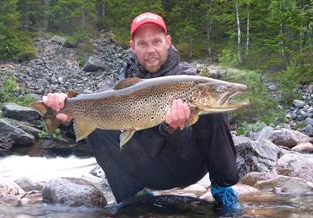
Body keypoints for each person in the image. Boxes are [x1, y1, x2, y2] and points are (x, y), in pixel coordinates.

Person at [42, 12, 243, 214]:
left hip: (189, 166)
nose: (151, 50)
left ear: (168, 42)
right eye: (143, 44)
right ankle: (133, 197)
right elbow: (88, 107)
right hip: (145, 171)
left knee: (213, 111)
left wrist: (174, 128)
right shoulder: (118, 82)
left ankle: (223, 189)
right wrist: (66, 108)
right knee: (97, 117)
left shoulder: (189, 78)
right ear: (133, 46)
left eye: (156, 41)